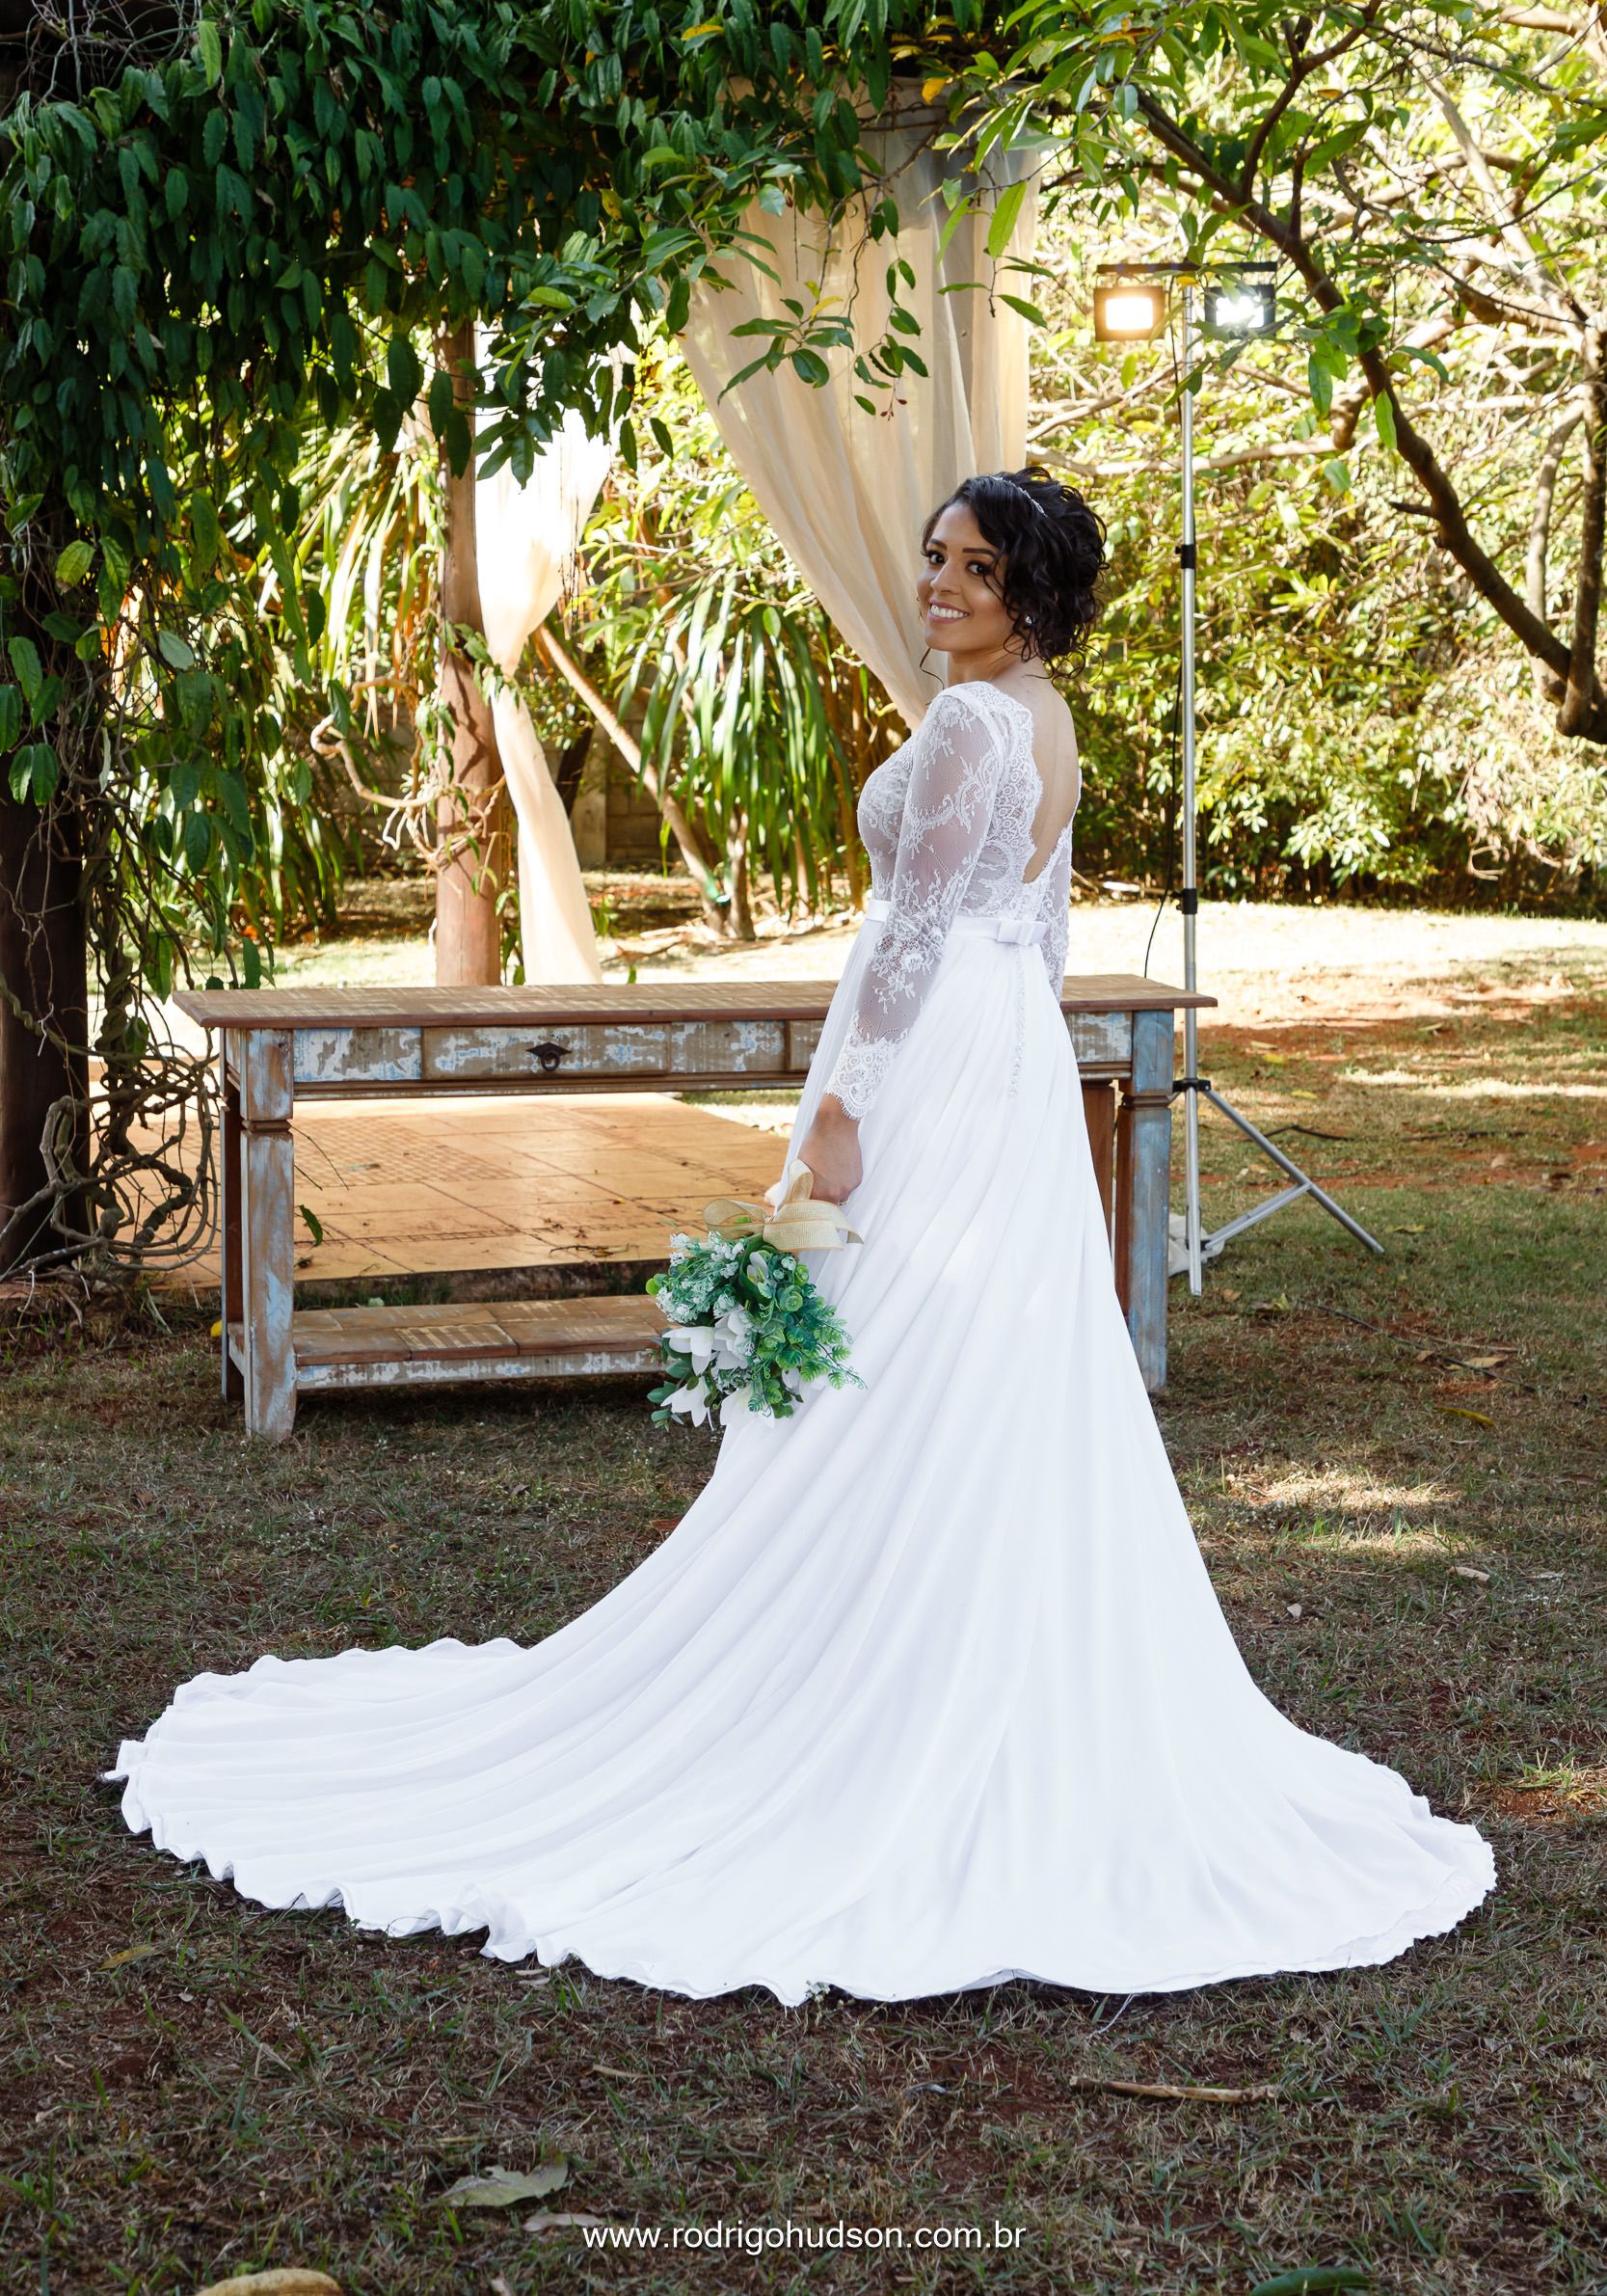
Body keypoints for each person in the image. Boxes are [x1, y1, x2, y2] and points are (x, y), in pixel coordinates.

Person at [112, 467, 1494, 2005]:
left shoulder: (976, 721)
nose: (938, 582)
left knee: (898, 1338)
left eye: (973, 565)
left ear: (1033, 590)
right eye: (934, 556)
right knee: (964, 1350)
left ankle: (871, 1663)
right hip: (1005, 1059)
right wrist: (1009, 1076)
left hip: (933, 1053)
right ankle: (938, 1643)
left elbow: (912, 931)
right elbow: (1031, 933)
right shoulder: (1041, 716)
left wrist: (848, 1106)